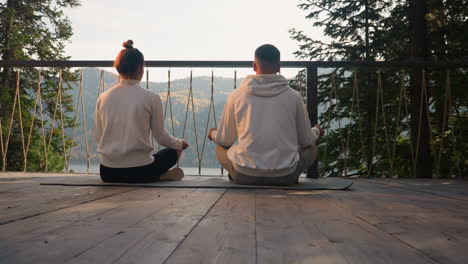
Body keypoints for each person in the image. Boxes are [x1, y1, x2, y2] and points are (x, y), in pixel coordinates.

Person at [208, 44, 324, 185]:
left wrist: (213, 133)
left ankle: (236, 173)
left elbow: (224, 140)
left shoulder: (236, 95)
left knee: (220, 147)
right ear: (279, 67)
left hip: (244, 175)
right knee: (312, 149)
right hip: (285, 176)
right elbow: (306, 140)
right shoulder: (294, 96)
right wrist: (316, 131)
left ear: (254, 66)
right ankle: (289, 176)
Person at [94, 40, 189, 183]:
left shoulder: (103, 97)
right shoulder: (151, 97)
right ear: (140, 68)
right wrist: (180, 144)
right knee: (173, 151)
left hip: (107, 173)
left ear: (118, 68)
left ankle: (158, 175)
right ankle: (157, 175)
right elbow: (160, 137)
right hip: (140, 171)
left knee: (161, 157)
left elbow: (99, 136)